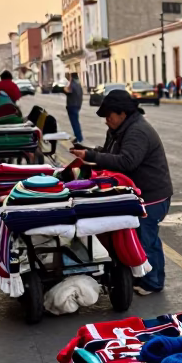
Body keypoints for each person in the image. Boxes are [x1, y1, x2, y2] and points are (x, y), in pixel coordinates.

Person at [71, 88, 173, 296]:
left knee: (147, 238)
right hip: (137, 193)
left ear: (122, 113)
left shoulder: (137, 131)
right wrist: (89, 153)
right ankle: (141, 275)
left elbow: (127, 161)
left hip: (152, 196)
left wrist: (93, 155)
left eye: (109, 116)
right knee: (137, 236)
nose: (106, 120)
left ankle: (153, 282)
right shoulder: (120, 129)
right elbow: (110, 153)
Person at [64, 72, 84, 144]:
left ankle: (79, 138)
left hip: (72, 105)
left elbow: (68, 92)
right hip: (77, 105)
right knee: (76, 122)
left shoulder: (72, 85)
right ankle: (78, 137)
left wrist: (64, 89)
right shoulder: (79, 85)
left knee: (74, 123)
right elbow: (81, 96)